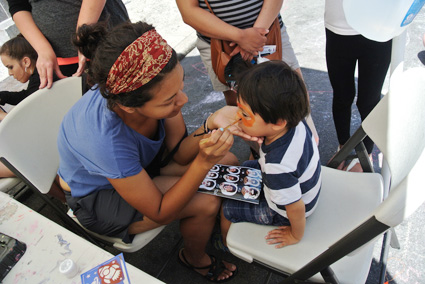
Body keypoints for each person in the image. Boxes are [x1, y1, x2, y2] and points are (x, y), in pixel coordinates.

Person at [58, 21, 261, 282]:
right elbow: (160, 211)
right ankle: (193, 258)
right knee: (206, 202)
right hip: (97, 196)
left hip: (140, 168)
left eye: (180, 86)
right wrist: (202, 162)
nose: (184, 100)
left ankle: (204, 228)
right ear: (130, 107)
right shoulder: (104, 138)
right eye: (170, 99)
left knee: (227, 161)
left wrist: (212, 120)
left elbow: (177, 153)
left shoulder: (143, 86)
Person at [218, 61, 321, 249]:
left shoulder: (277, 167)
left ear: (278, 122)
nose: (238, 117)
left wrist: (295, 235)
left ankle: (225, 244)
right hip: (305, 187)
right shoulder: (295, 121)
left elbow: (295, 207)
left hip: (284, 212)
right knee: (247, 167)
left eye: (245, 114)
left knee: (227, 208)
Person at [325, 0, 392, 171]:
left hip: (379, 27)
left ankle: (366, 155)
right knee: (342, 96)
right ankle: (343, 148)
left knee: (369, 101)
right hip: (338, 26)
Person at [7, 0, 129, 89]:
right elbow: (18, 6)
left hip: (107, 42)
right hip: (63, 61)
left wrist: (83, 35)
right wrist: (43, 50)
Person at [0, 34, 41, 121]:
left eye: (11, 67)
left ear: (26, 62)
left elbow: (27, 121)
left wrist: (2, 115)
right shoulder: (37, 76)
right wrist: (3, 96)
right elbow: (28, 96)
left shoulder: (40, 79)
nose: (10, 73)